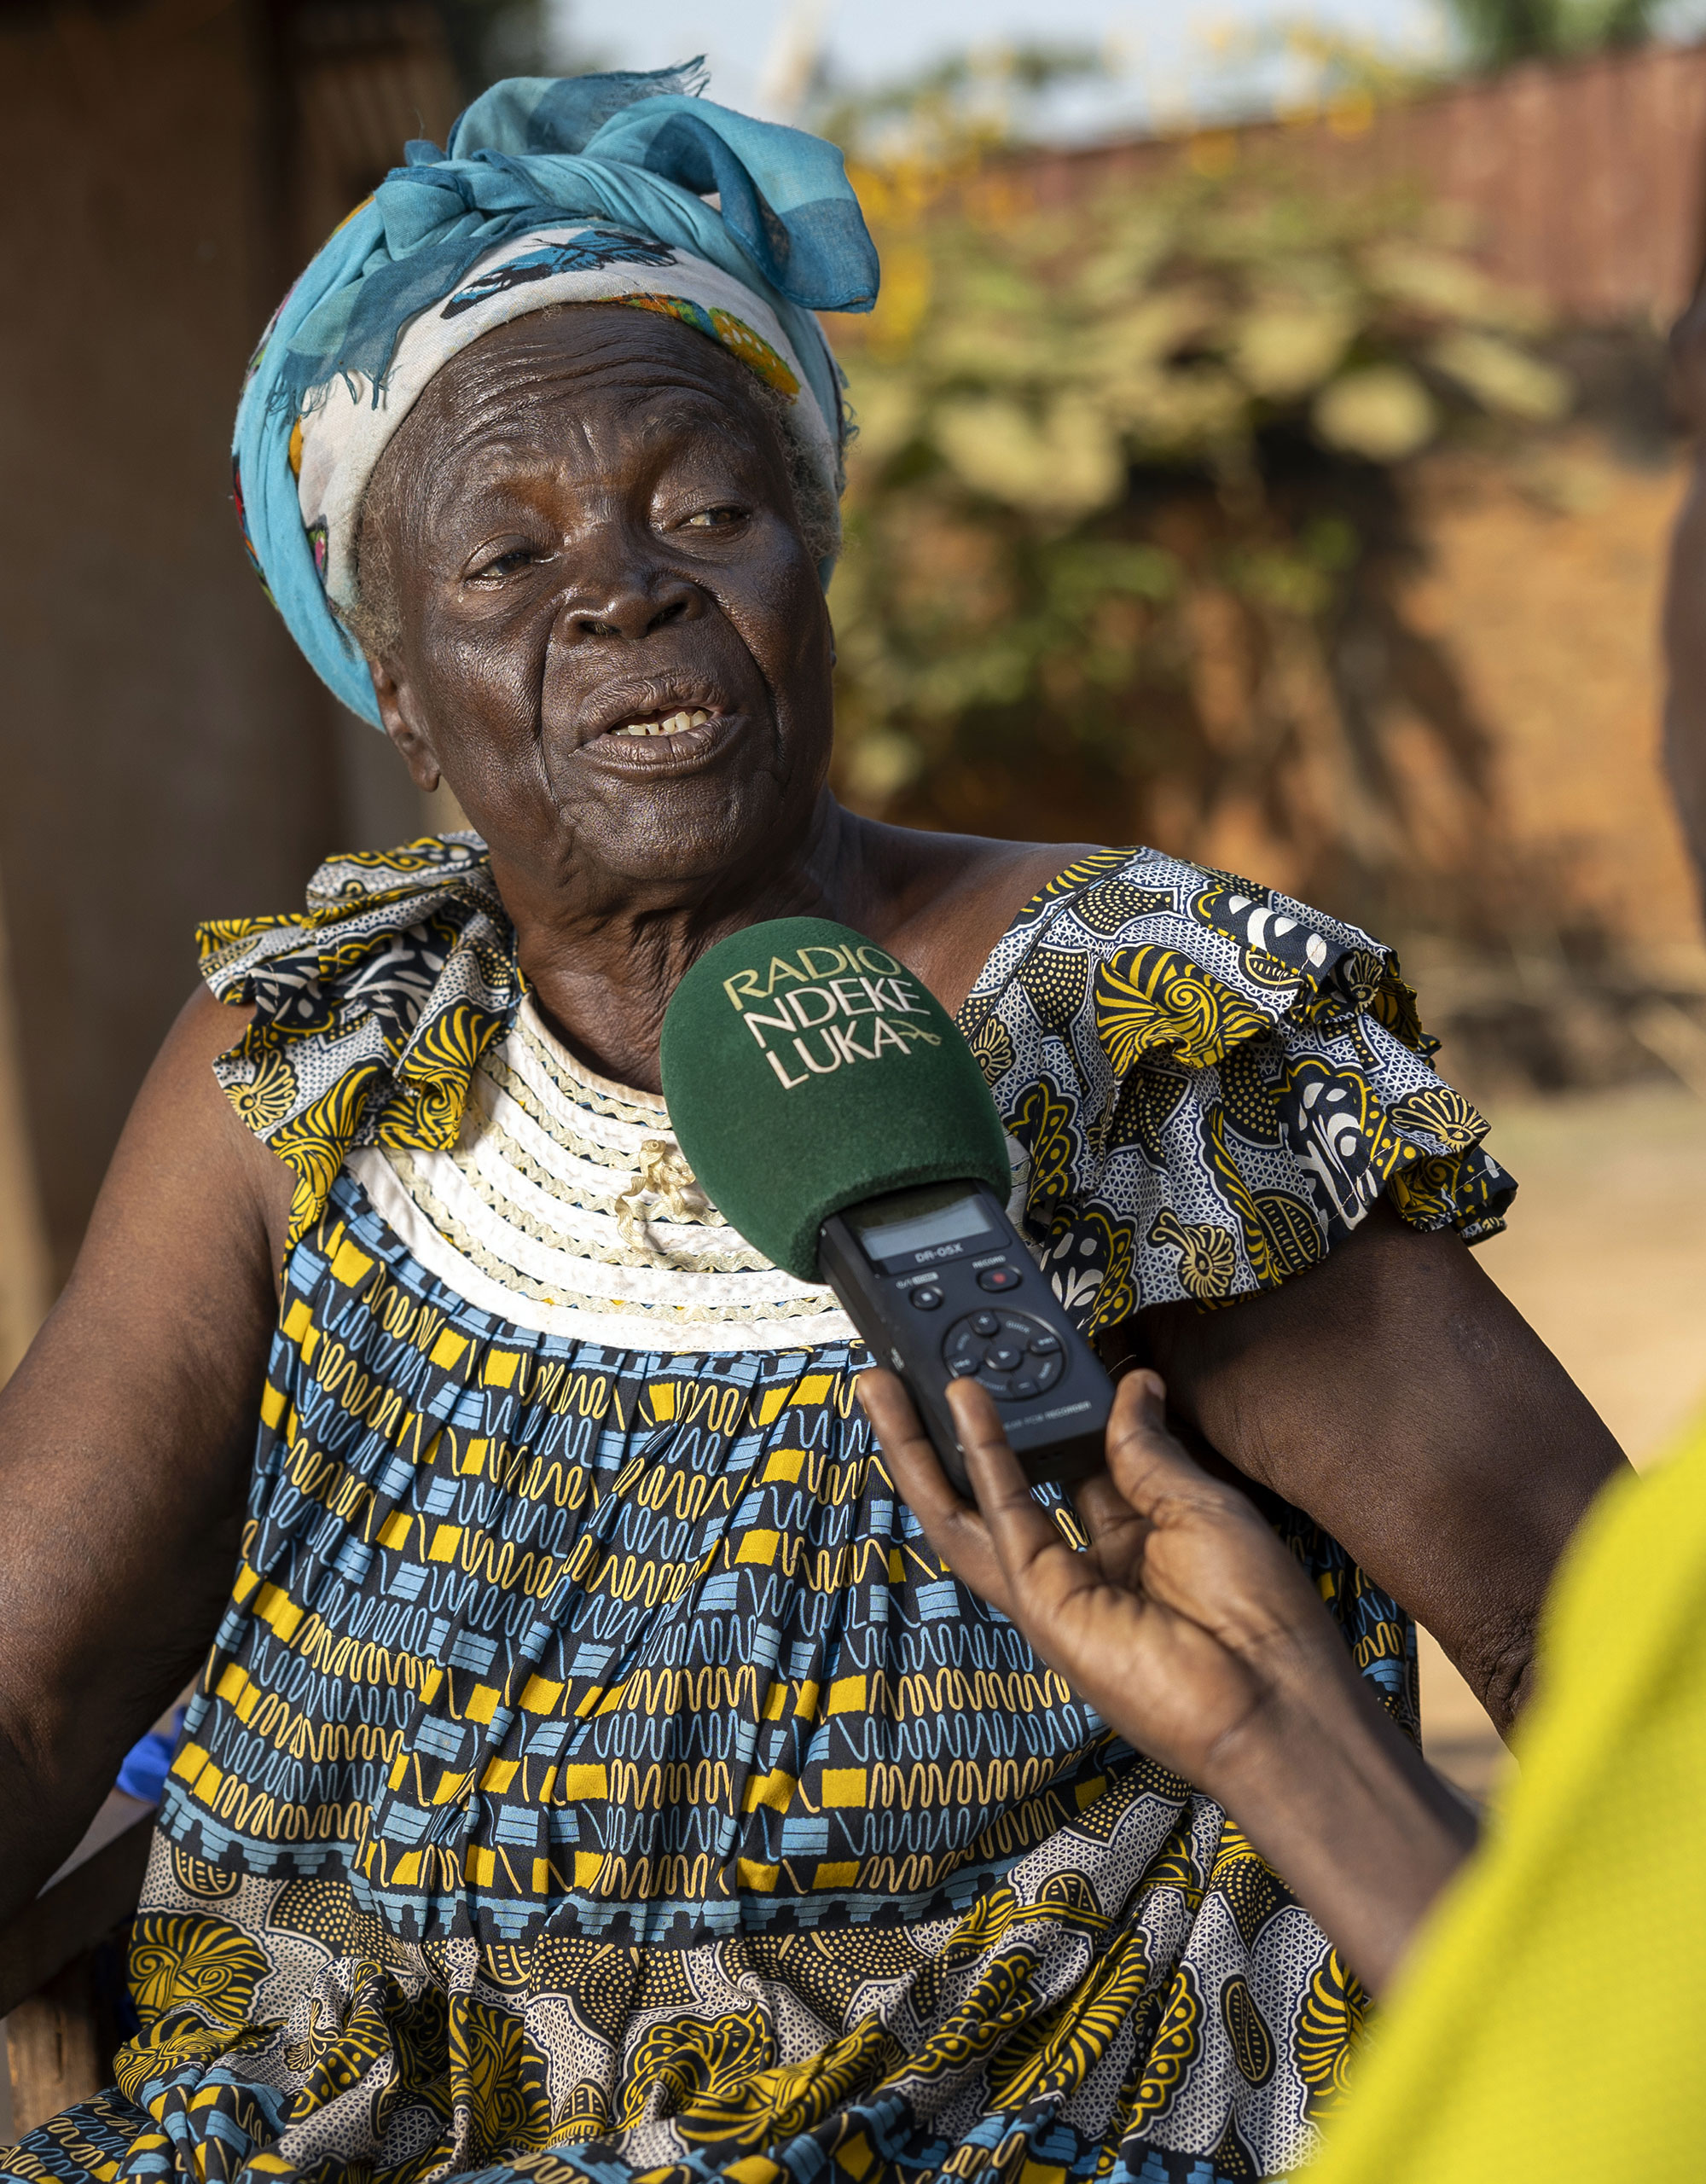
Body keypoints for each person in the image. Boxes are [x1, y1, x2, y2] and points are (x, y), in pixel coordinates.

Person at [0, 66, 1625, 2184]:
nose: (622, 593)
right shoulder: (319, 1047)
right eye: (505, 555)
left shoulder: (1136, 1018)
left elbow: (1603, 1666)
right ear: (397, 691)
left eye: (702, 512)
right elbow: (34, 1697)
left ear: (811, 555)